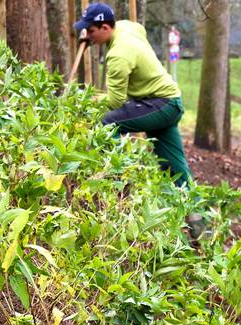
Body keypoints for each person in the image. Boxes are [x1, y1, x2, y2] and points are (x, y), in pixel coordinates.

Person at [76, 3, 193, 187]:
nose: (88, 35)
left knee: (108, 123)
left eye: (90, 31)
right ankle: (194, 213)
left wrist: (89, 98)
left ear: (105, 28)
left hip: (161, 104)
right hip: (171, 100)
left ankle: (117, 181)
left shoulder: (118, 55)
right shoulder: (126, 27)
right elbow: (140, 28)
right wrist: (89, 37)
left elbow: (116, 101)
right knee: (173, 164)